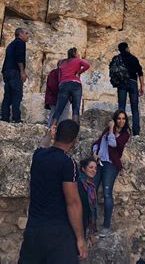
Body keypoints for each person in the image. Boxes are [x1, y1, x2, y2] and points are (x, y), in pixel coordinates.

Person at [18, 119, 88, 263]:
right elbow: (73, 202)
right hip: (58, 234)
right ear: (74, 141)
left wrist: (49, 134)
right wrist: (80, 238)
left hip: (34, 230)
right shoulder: (68, 163)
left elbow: (42, 145)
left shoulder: (39, 156)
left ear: (57, 135)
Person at [92, 109, 131, 237]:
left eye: (123, 119)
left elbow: (113, 144)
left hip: (111, 165)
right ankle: (91, 224)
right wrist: (95, 153)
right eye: (119, 118)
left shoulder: (125, 134)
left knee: (107, 193)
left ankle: (106, 227)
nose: (121, 121)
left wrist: (111, 129)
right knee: (92, 192)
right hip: (99, 163)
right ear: (115, 119)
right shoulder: (108, 130)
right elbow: (97, 142)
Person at [50, 47, 90, 129]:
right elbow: (87, 65)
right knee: (75, 108)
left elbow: (59, 77)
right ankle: (74, 131)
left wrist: (61, 84)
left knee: (58, 109)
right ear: (75, 54)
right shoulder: (78, 60)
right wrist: (79, 72)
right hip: (76, 84)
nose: (79, 54)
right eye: (77, 53)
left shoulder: (62, 62)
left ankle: (52, 128)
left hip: (64, 84)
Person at [114, 42, 144, 136]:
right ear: (127, 48)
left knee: (121, 108)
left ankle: (120, 131)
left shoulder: (117, 59)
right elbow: (140, 73)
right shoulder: (134, 58)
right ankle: (136, 133)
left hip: (122, 84)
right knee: (134, 109)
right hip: (133, 83)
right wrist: (142, 86)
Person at [1, 27, 29, 123]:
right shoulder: (20, 43)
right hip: (14, 72)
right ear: (20, 34)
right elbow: (19, 57)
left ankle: (4, 117)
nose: (27, 35)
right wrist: (22, 71)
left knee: (7, 96)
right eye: (26, 33)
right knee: (17, 95)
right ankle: (16, 119)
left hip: (7, 72)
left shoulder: (11, 45)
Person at [44, 59, 70, 127]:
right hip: (56, 98)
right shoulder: (55, 73)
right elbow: (53, 86)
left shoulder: (63, 73)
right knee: (57, 116)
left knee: (62, 117)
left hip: (60, 98)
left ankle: (58, 132)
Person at [77, 157, 98, 240]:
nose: (94, 170)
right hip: (79, 222)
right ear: (83, 169)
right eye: (91, 167)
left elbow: (93, 208)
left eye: (95, 168)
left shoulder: (91, 186)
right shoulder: (79, 184)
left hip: (86, 223)